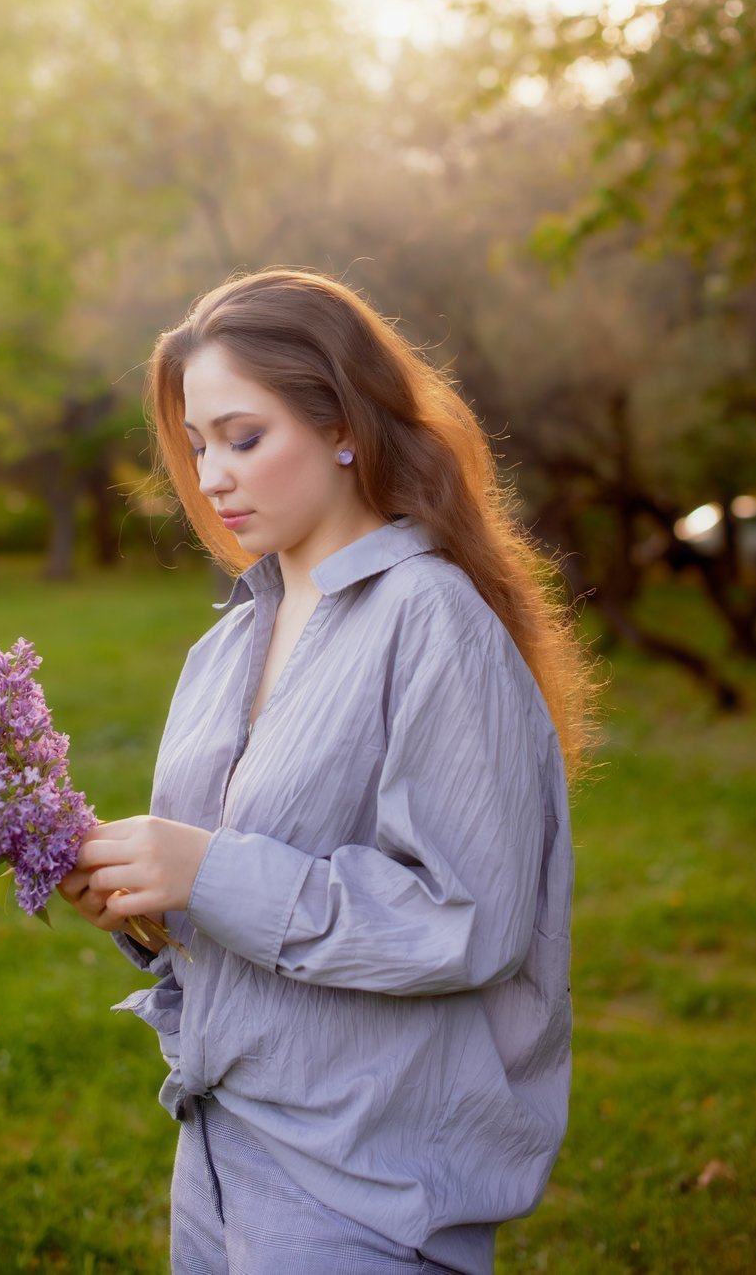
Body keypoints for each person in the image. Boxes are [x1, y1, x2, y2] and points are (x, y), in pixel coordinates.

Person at [57, 270, 594, 1275]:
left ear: (343, 424)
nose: (211, 475)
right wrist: (147, 907)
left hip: (364, 1181)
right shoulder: (225, 647)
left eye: (243, 437)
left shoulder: (428, 620)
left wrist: (207, 873)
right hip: (217, 1144)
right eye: (198, 443)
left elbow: (464, 919)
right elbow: (247, 896)